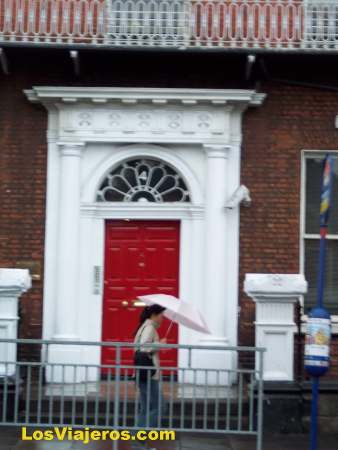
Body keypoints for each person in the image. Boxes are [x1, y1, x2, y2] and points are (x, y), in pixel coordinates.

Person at [134, 304, 167, 429]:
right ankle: (139, 436)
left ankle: (139, 441)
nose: (162, 318)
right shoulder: (149, 328)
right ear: (154, 315)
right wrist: (160, 344)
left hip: (142, 373)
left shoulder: (145, 326)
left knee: (146, 408)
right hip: (149, 374)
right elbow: (145, 347)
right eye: (161, 315)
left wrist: (158, 345)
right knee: (160, 407)